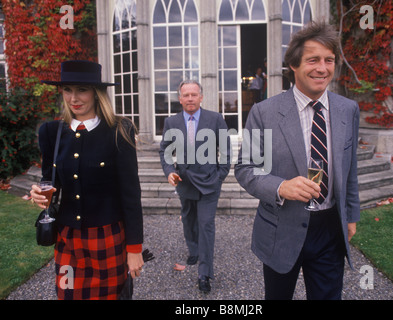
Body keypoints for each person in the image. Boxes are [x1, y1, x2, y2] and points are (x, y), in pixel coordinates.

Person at [234, 22, 360, 300]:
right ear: (293, 64)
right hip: (281, 227)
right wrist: (281, 187)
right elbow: (245, 168)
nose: (322, 68)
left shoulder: (348, 110)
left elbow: (350, 170)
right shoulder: (264, 112)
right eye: (313, 60)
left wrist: (351, 215)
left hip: (329, 230)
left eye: (329, 60)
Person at [30, 60, 144, 300]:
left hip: (107, 239)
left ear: (96, 92)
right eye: (68, 89)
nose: (74, 98)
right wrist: (39, 194)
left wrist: (134, 249)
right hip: (68, 239)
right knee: (67, 295)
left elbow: (131, 195)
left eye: (82, 89)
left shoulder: (119, 131)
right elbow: (49, 181)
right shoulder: (51, 132)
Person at [159, 80, 231, 293]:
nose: (190, 98)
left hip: (210, 183)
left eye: (194, 94)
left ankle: (204, 274)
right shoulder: (171, 122)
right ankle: (194, 249)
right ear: (179, 99)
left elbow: (225, 150)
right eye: (186, 95)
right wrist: (169, 171)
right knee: (189, 221)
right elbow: (164, 151)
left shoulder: (215, 119)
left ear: (201, 97)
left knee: (206, 224)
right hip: (185, 183)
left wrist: (220, 176)